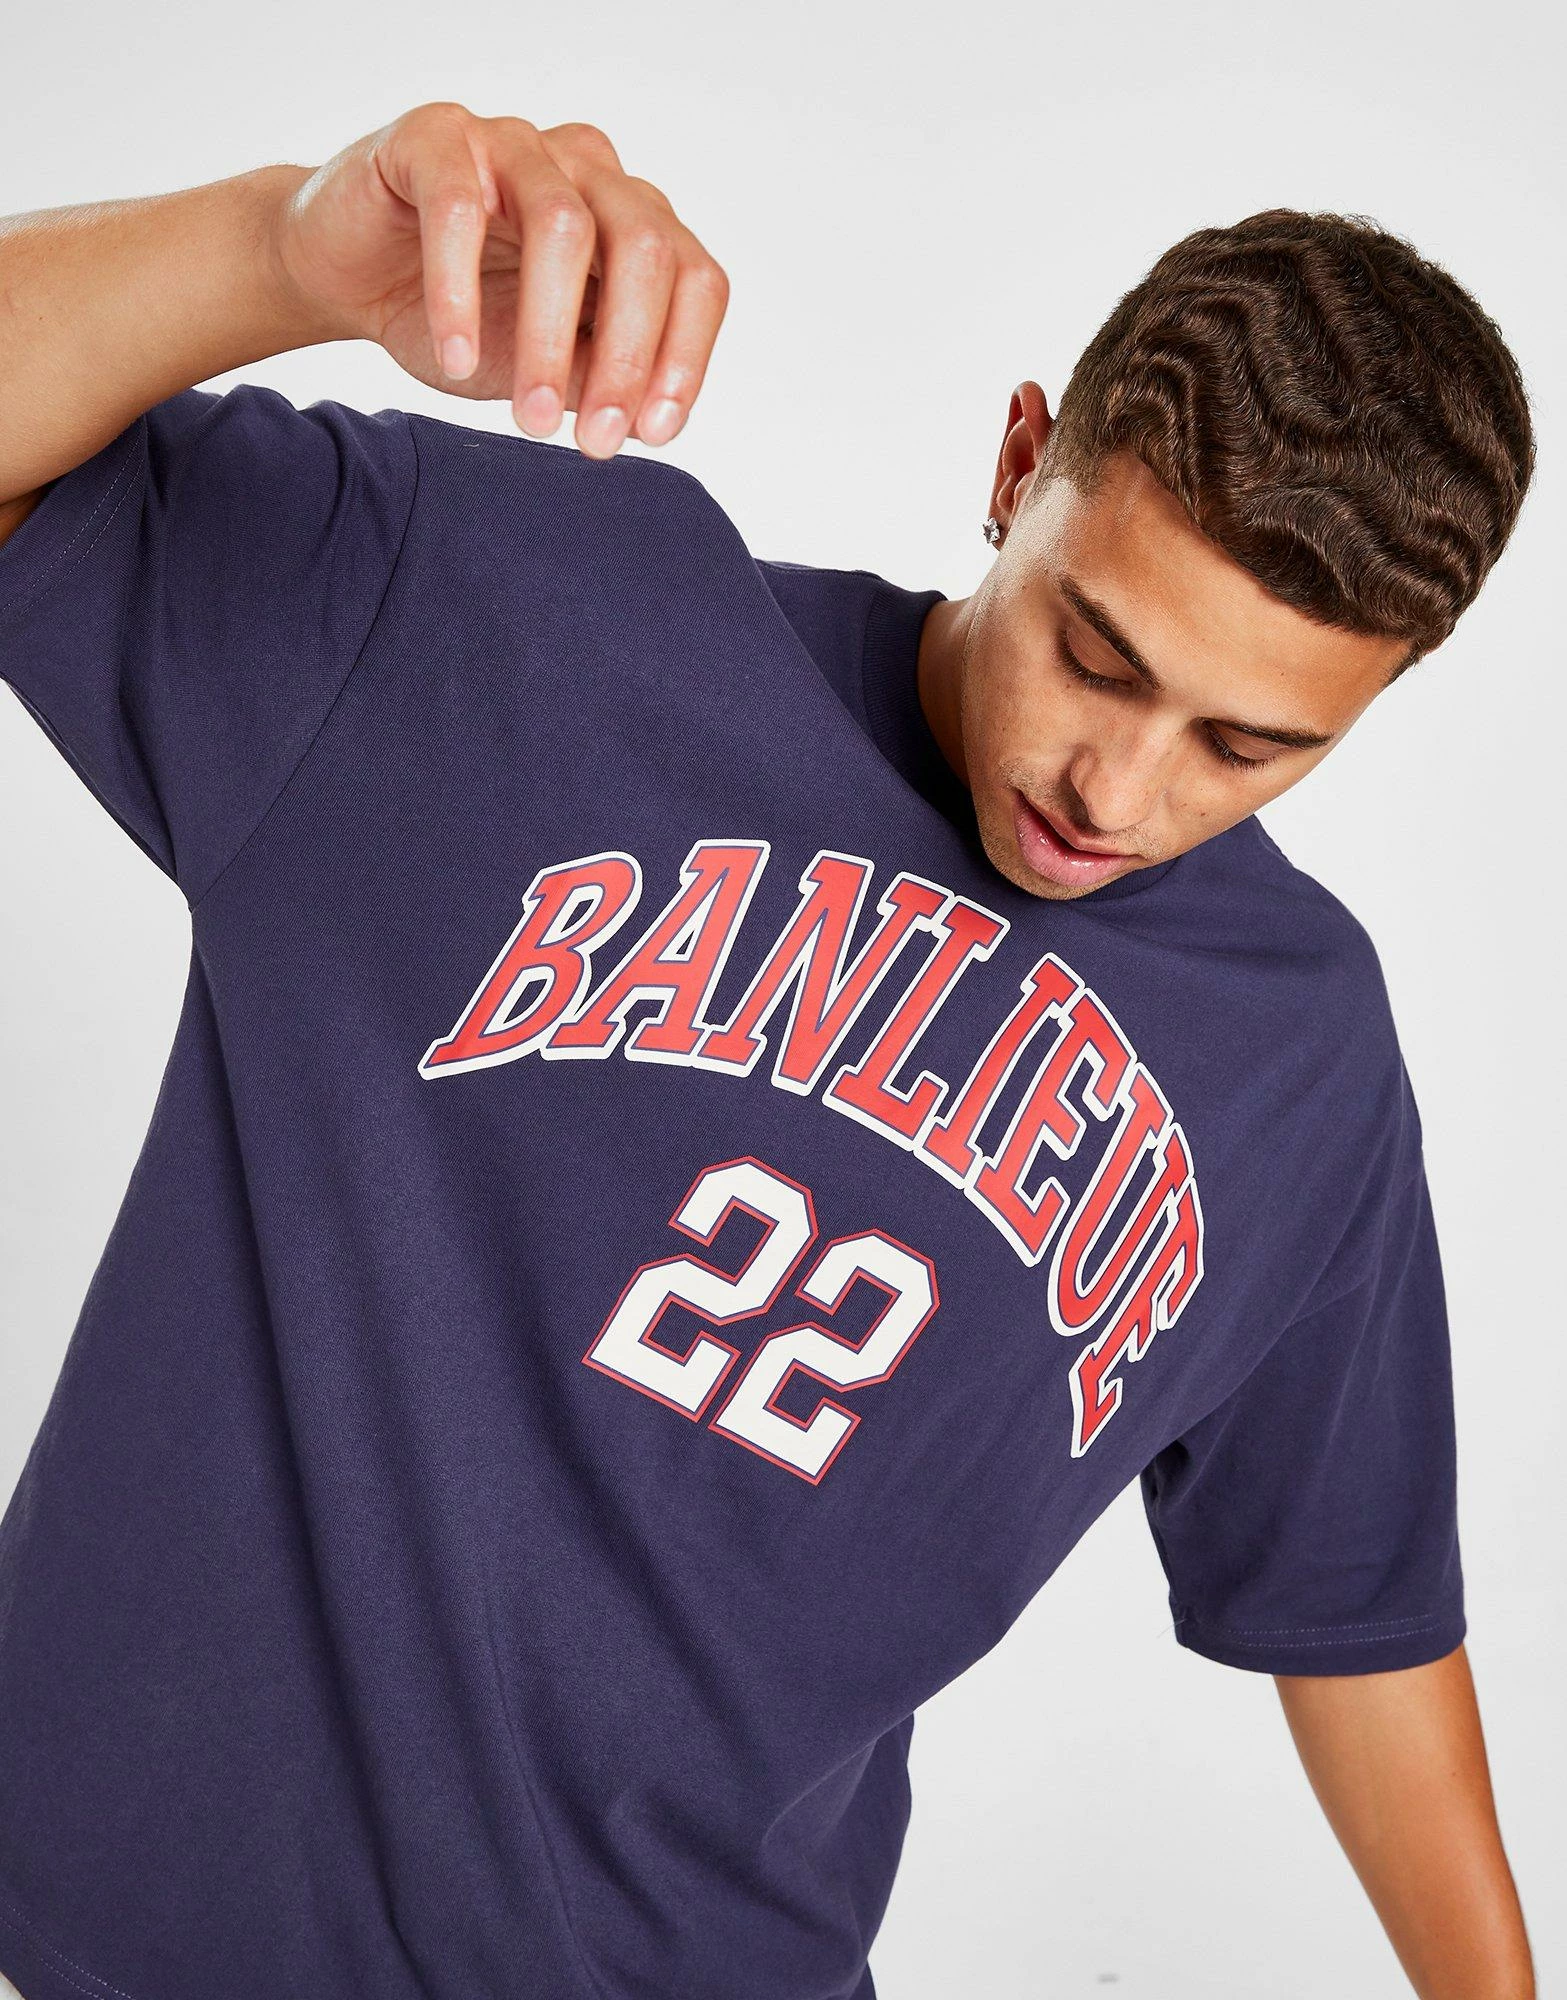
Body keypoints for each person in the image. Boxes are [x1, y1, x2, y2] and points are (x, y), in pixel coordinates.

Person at [0, 103, 1537, 2000]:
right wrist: (273, 255)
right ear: (1020, 464)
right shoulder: (497, 620)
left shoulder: (1296, 1057)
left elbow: (1355, 1613)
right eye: (1098, 654)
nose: (1115, 789)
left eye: (1249, 746)